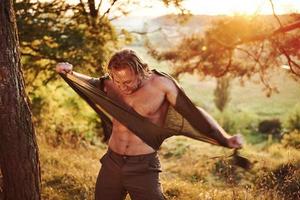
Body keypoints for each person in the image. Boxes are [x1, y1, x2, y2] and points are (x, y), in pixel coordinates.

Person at [55, 49, 243, 200]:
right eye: (117, 80)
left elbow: (194, 113)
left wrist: (224, 137)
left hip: (143, 166)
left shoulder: (162, 85)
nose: (122, 87)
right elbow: (90, 84)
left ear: (141, 71)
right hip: (112, 162)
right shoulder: (109, 84)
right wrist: (70, 73)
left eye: (127, 81)